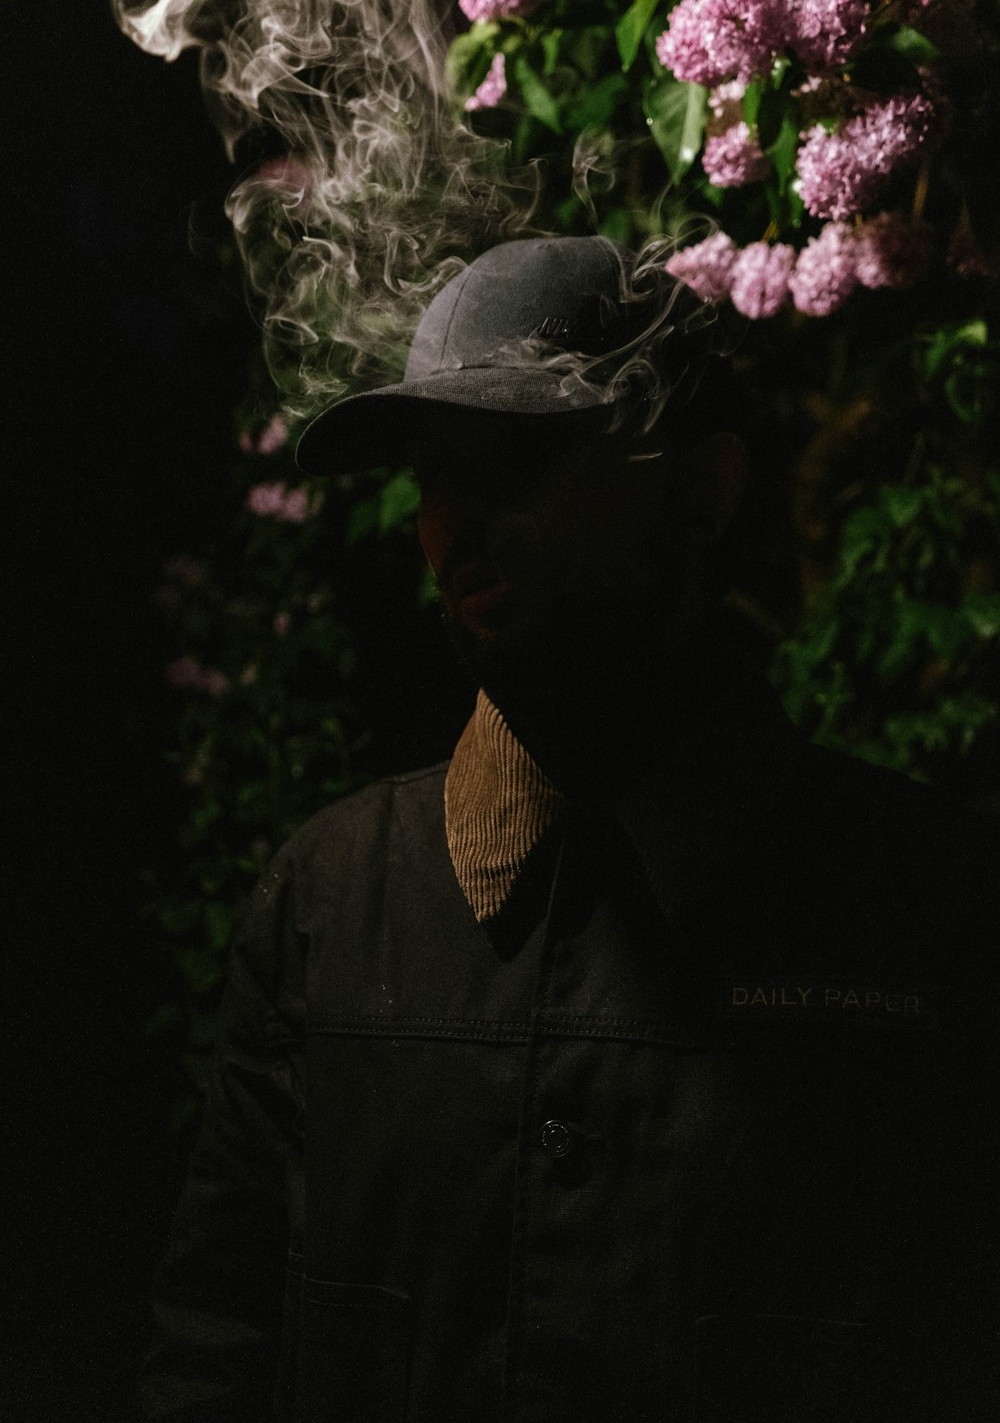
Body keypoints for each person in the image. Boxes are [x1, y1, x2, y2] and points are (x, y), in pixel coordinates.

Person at [140, 237, 996, 1422]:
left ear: (702, 488)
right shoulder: (330, 902)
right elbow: (214, 1346)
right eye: (441, 475)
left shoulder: (920, 901)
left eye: (526, 456)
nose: (463, 523)